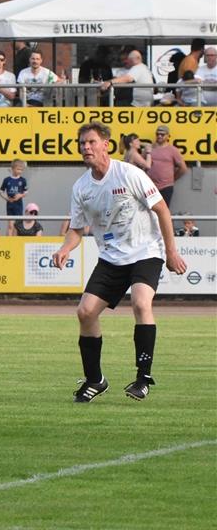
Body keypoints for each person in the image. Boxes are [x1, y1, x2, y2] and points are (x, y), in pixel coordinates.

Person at [52, 122, 187, 402]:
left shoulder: (128, 173)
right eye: (82, 144)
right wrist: (66, 248)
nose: (85, 148)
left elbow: (162, 209)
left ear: (106, 145)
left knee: (140, 302)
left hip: (145, 251)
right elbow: (78, 228)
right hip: (112, 257)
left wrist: (171, 252)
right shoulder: (81, 187)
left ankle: (143, 378)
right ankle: (94, 380)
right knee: (85, 312)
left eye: (91, 142)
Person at [147, 125, 187, 207]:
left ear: (168, 136)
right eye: (157, 134)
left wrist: (173, 179)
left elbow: (183, 168)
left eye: (162, 134)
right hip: (150, 186)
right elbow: (142, 164)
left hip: (166, 186)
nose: (159, 136)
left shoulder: (173, 150)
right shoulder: (149, 149)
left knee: (164, 210)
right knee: (149, 210)